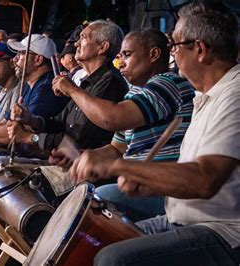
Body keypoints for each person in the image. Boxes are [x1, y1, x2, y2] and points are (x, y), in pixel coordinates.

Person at [71, 2, 240, 265]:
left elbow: (205, 179)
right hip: (180, 217)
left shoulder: (233, 96)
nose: (172, 53)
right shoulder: (204, 96)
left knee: (112, 258)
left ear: (200, 50)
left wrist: (120, 166)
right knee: (96, 241)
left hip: (221, 230)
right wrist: (145, 181)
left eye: (175, 45)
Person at [7, 21, 126, 159]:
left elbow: (78, 139)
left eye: (84, 37)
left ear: (103, 47)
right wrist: (33, 120)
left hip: (92, 172)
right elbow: (60, 123)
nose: (76, 44)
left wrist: (30, 138)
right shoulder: (87, 83)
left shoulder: (109, 82)